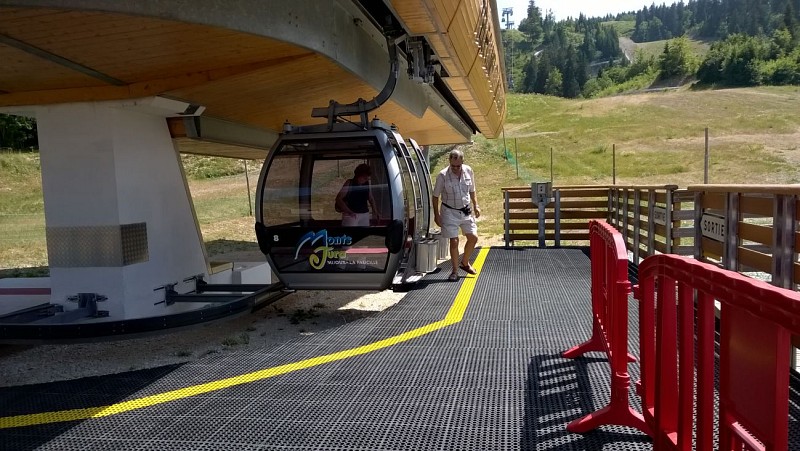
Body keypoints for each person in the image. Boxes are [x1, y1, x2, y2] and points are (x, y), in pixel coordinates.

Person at [432, 149, 481, 281]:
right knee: (454, 241)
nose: (455, 168)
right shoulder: (442, 175)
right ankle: (454, 271)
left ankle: (464, 263)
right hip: (449, 211)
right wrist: (437, 215)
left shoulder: (469, 171)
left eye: (458, 166)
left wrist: (476, 205)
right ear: (449, 162)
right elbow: (435, 196)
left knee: (473, 238)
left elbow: (472, 190)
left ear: (462, 162)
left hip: (465, 209)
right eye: (452, 166)